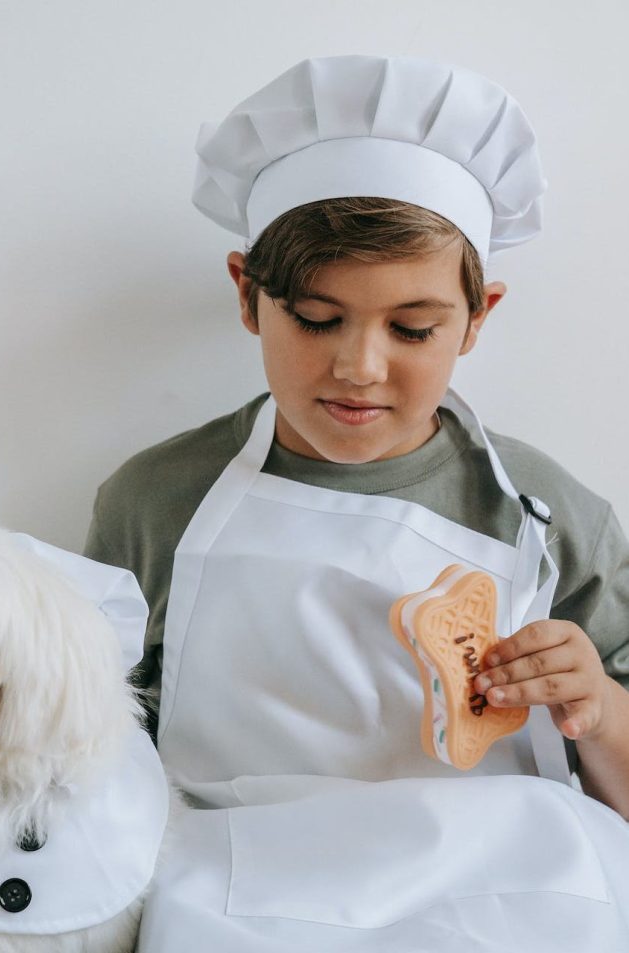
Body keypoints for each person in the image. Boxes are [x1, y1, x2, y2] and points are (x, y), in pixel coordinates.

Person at [84, 55, 629, 951]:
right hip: (238, 892)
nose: (359, 367)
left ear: (478, 314)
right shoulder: (155, 503)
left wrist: (596, 706)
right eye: (315, 316)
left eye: (412, 328)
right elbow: (86, 753)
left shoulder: (546, 516)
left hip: (510, 895)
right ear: (247, 295)